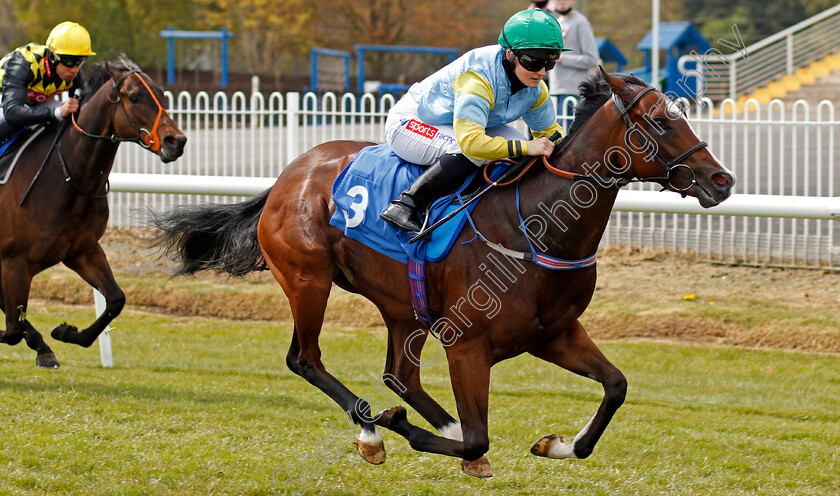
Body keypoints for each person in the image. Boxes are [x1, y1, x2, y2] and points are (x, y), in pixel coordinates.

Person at [380, 9, 570, 234]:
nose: (541, 72)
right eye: (534, 62)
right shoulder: (477, 79)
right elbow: (472, 143)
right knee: (474, 150)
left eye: (549, 64)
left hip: (459, 122)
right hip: (412, 121)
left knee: (517, 142)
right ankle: (406, 204)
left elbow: (550, 133)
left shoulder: (537, 89)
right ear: (510, 54)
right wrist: (528, 147)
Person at [0, 21, 94, 140]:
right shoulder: (25, 63)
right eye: (69, 61)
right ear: (54, 56)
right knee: (12, 126)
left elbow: (77, 108)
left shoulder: (74, 72)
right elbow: (12, 113)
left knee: (75, 116)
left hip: (33, 103)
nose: (74, 70)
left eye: (79, 61)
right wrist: (56, 112)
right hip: (5, 100)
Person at [544, 0, 599, 124]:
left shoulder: (581, 22)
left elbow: (592, 59)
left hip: (574, 93)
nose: (561, 2)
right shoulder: (556, 23)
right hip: (554, 91)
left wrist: (563, 58)